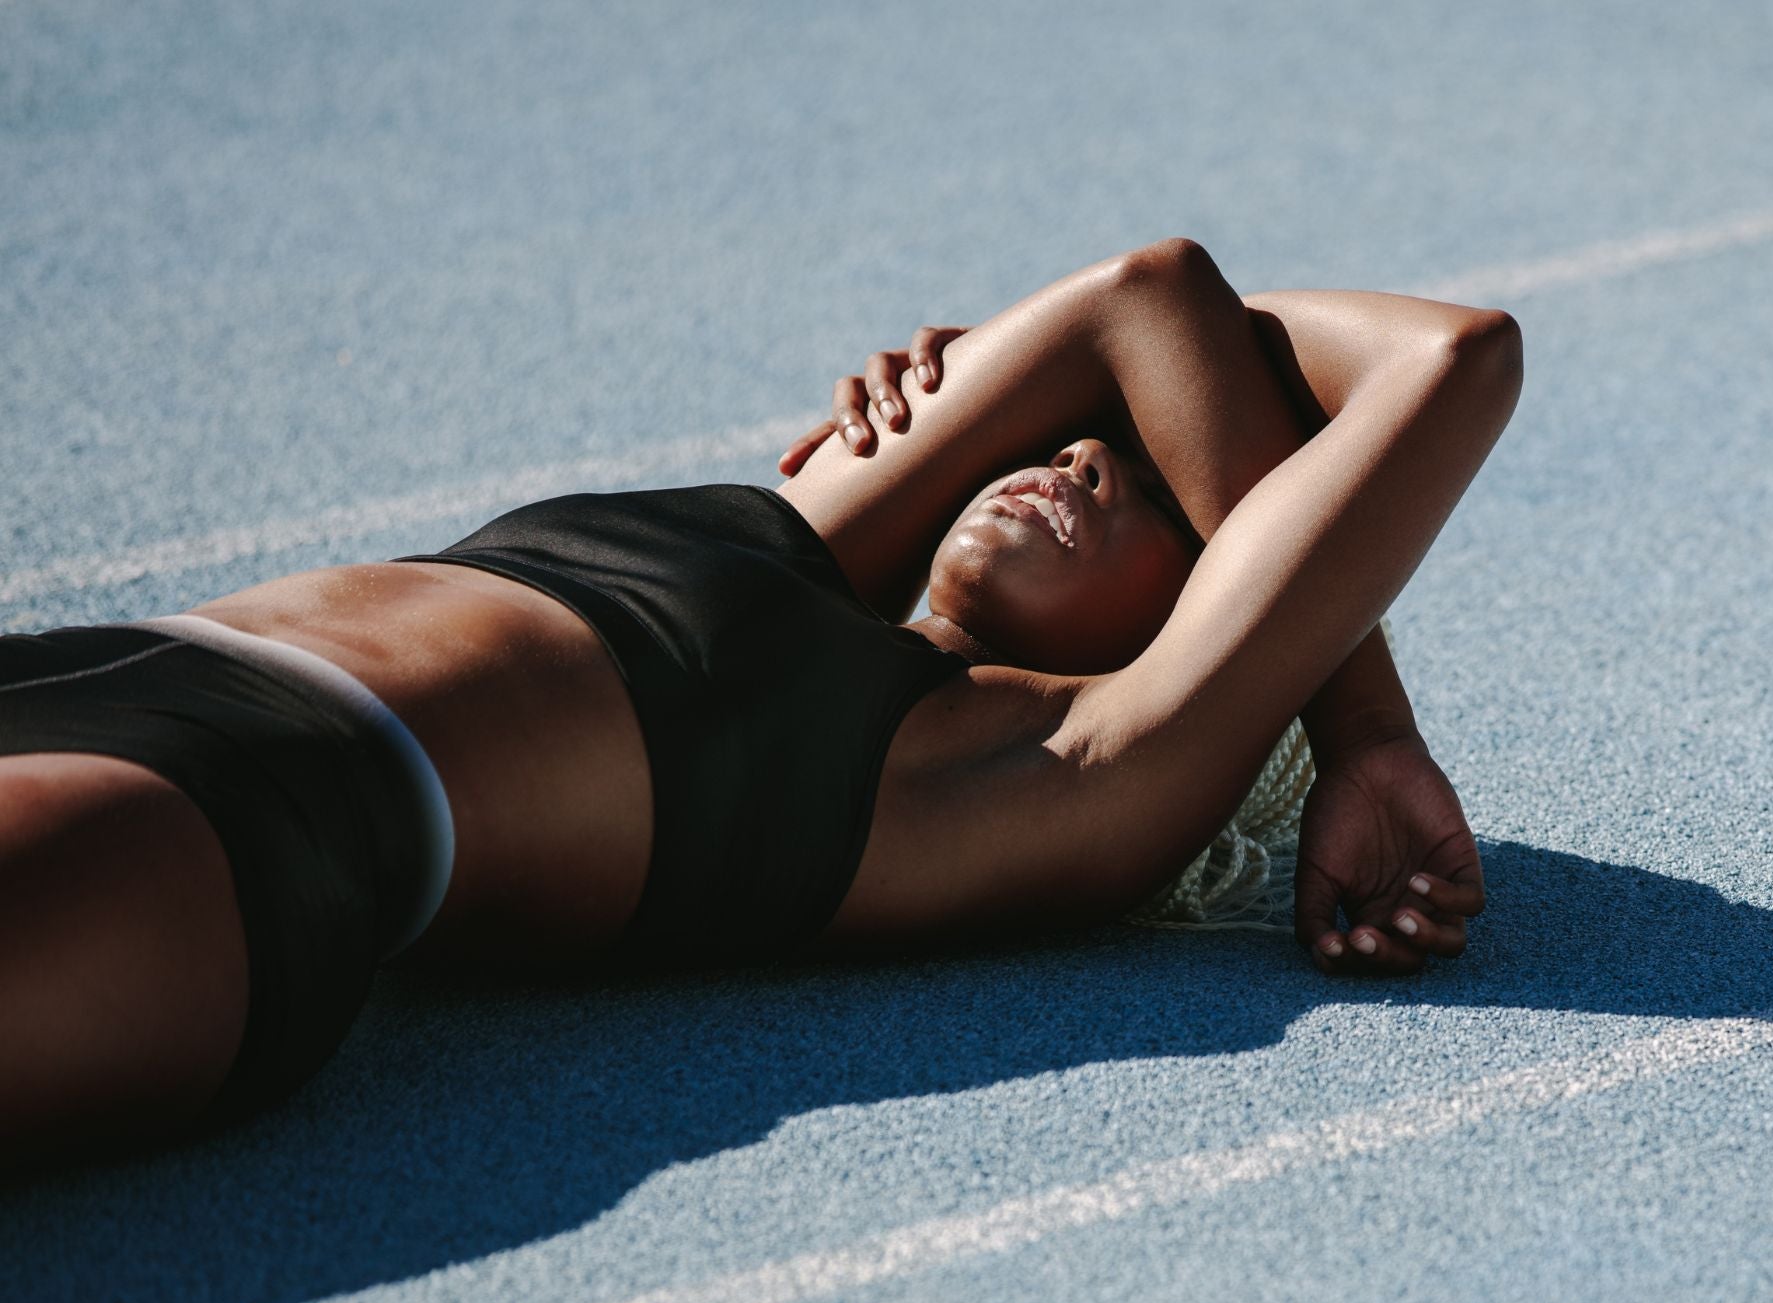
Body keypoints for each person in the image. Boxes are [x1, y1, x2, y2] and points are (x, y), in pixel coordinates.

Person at [0, 240, 1521, 1155]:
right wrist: (1056, 376)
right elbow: (1151, 292)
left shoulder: (1040, 774)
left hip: (237, 816)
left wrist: (1356, 725)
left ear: (1217, 610)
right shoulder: (797, 548)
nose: (1071, 459)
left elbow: (1456, 357)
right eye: (1071, 442)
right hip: (87, 666)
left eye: (1135, 495)